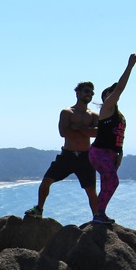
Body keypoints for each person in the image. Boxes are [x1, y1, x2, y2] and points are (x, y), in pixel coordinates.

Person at [25, 81, 99, 218]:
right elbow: (64, 132)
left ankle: (97, 216)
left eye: (92, 92)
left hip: (85, 157)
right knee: (46, 181)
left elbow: (97, 133)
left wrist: (77, 128)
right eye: (87, 91)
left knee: (91, 190)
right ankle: (39, 209)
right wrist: (86, 131)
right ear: (78, 92)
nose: (89, 94)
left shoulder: (94, 115)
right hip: (67, 155)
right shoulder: (67, 112)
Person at [88, 53, 136, 224]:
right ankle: (99, 214)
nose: (113, 94)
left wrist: (119, 155)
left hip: (111, 154)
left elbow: (120, 137)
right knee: (113, 181)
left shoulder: (118, 115)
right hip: (99, 152)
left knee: (107, 184)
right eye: (110, 92)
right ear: (106, 97)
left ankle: (100, 214)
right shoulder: (106, 108)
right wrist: (130, 66)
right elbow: (120, 88)